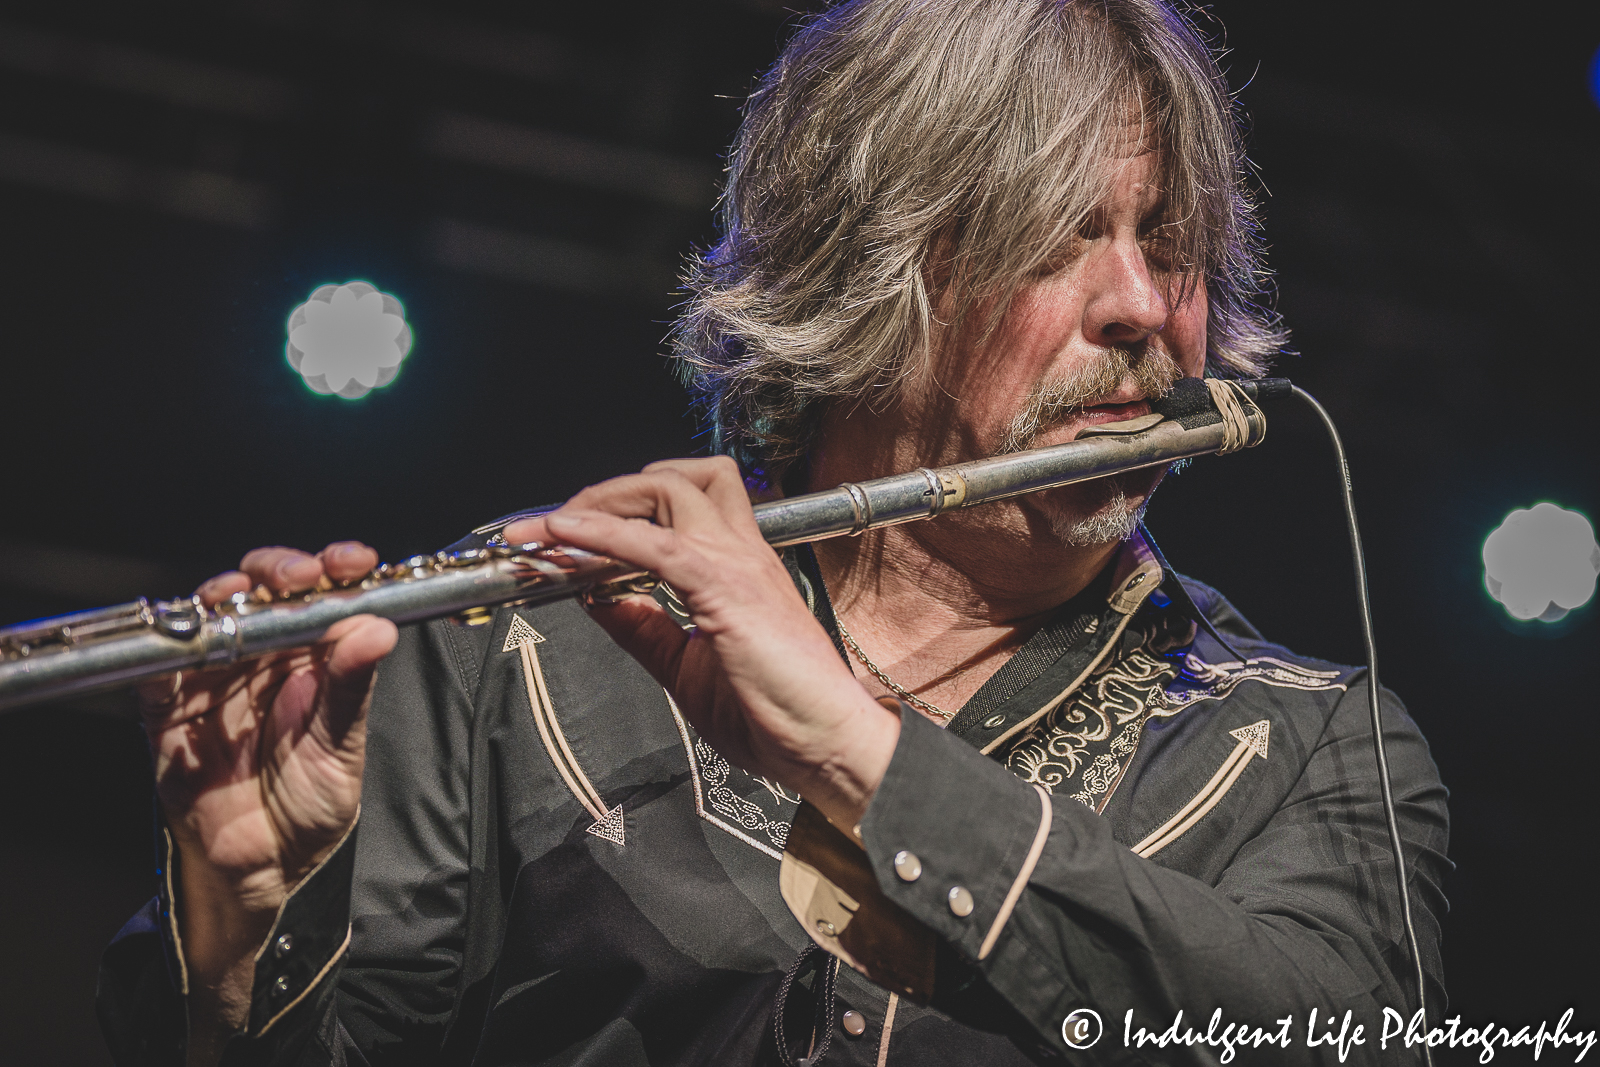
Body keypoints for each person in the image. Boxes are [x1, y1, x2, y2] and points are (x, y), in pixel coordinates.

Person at [98, 1, 1450, 1064]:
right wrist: (243, 933)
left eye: (1173, 246)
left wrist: (858, 755)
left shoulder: (1307, 750)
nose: (1143, 310)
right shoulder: (518, 657)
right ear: (870, 265)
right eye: (1059, 234)